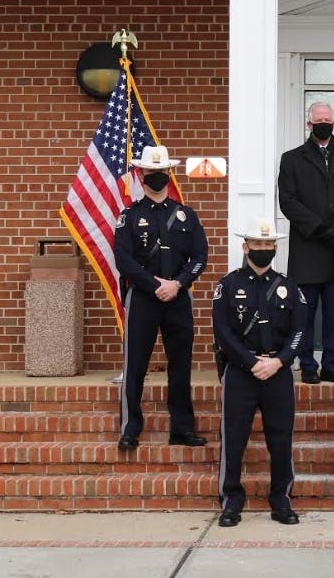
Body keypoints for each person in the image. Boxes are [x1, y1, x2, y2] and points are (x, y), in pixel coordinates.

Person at [212, 218, 307, 527]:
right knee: (234, 439)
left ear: (275, 248)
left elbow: (299, 332)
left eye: (268, 244)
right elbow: (222, 332)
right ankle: (231, 501)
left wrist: (279, 361)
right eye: (257, 244)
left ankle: (281, 501)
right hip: (241, 372)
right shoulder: (228, 286)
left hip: (278, 372)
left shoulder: (289, 287)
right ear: (246, 247)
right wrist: (251, 362)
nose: (263, 249)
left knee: (280, 441)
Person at [113, 145, 208, 451]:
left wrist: (178, 284)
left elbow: (200, 257)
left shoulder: (186, 215)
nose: (157, 176)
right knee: (135, 366)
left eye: (161, 172)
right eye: (151, 172)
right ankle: (130, 428)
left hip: (178, 299)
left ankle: (182, 428)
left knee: (180, 366)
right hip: (143, 298)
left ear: (169, 174)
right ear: (142, 175)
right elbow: (123, 260)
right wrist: (155, 285)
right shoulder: (129, 216)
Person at [278, 101, 334, 384]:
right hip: (308, 247)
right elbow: (287, 200)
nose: (323, 124)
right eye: (318, 121)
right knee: (304, 313)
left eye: (327, 120)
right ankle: (307, 365)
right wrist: (316, 227)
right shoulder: (292, 159)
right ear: (309, 124)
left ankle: (332, 365)